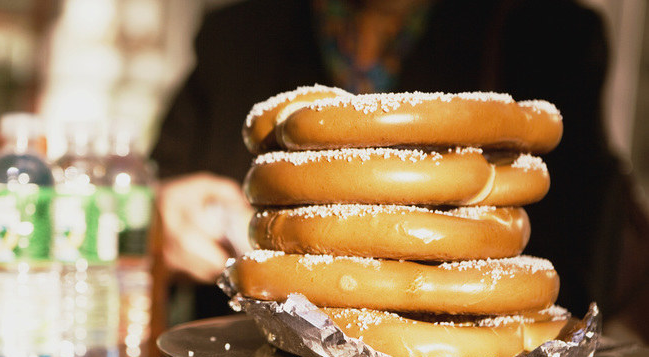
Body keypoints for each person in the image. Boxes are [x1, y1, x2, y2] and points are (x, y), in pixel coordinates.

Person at [152, 0, 626, 322]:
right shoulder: (237, 34)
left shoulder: (548, 33)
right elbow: (156, 183)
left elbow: (578, 249)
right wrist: (164, 209)